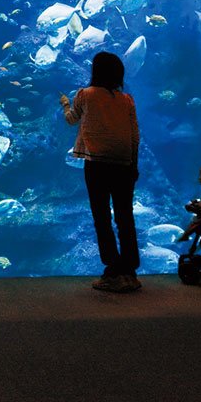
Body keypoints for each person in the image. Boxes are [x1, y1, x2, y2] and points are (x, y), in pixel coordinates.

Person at [61, 51, 141, 293]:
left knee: (102, 217)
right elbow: (135, 135)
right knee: (125, 217)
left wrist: (65, 104)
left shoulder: (85, 94)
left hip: (96, 163)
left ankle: (113, 270)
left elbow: (71, 120)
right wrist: (134, 165)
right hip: (124, 163)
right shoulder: (127, 99)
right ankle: (129, 270)